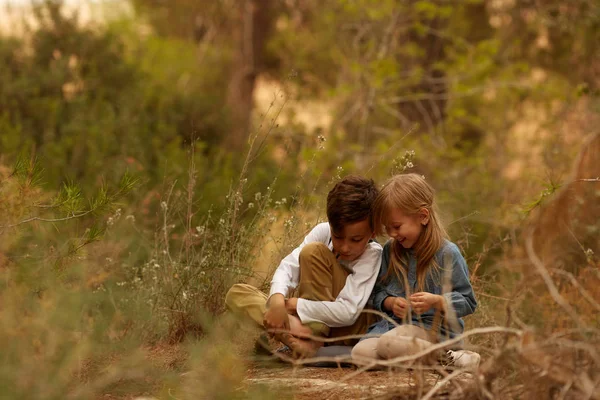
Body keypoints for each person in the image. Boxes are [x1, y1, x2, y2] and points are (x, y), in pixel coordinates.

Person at [225, 175, 383, 357]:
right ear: (331, 225)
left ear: (373, 231)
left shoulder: (372, 253)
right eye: (338, 237)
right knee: (237, 294)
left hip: (346, 329)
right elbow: (288, 266)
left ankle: (308, 336)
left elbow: (348, 312)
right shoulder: (323, 231)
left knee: (313, 252)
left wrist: (295, 305)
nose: (345, 246)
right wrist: (277, 301)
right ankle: (296, 333)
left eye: (355, 240)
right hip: (306, 319)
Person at [351, 173, 477, 365]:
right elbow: (376, 292)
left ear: (423, 216)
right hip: (394, 327)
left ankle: (449, 357)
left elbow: (468, 301)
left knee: (387, 344)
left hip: (434, 330)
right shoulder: (390, 251)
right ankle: (431, 361)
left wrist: (437, 301)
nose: (392, 234)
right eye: (387, 228)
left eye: (397, 226)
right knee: (361, 354)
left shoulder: (447, 253)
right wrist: (390, 302)